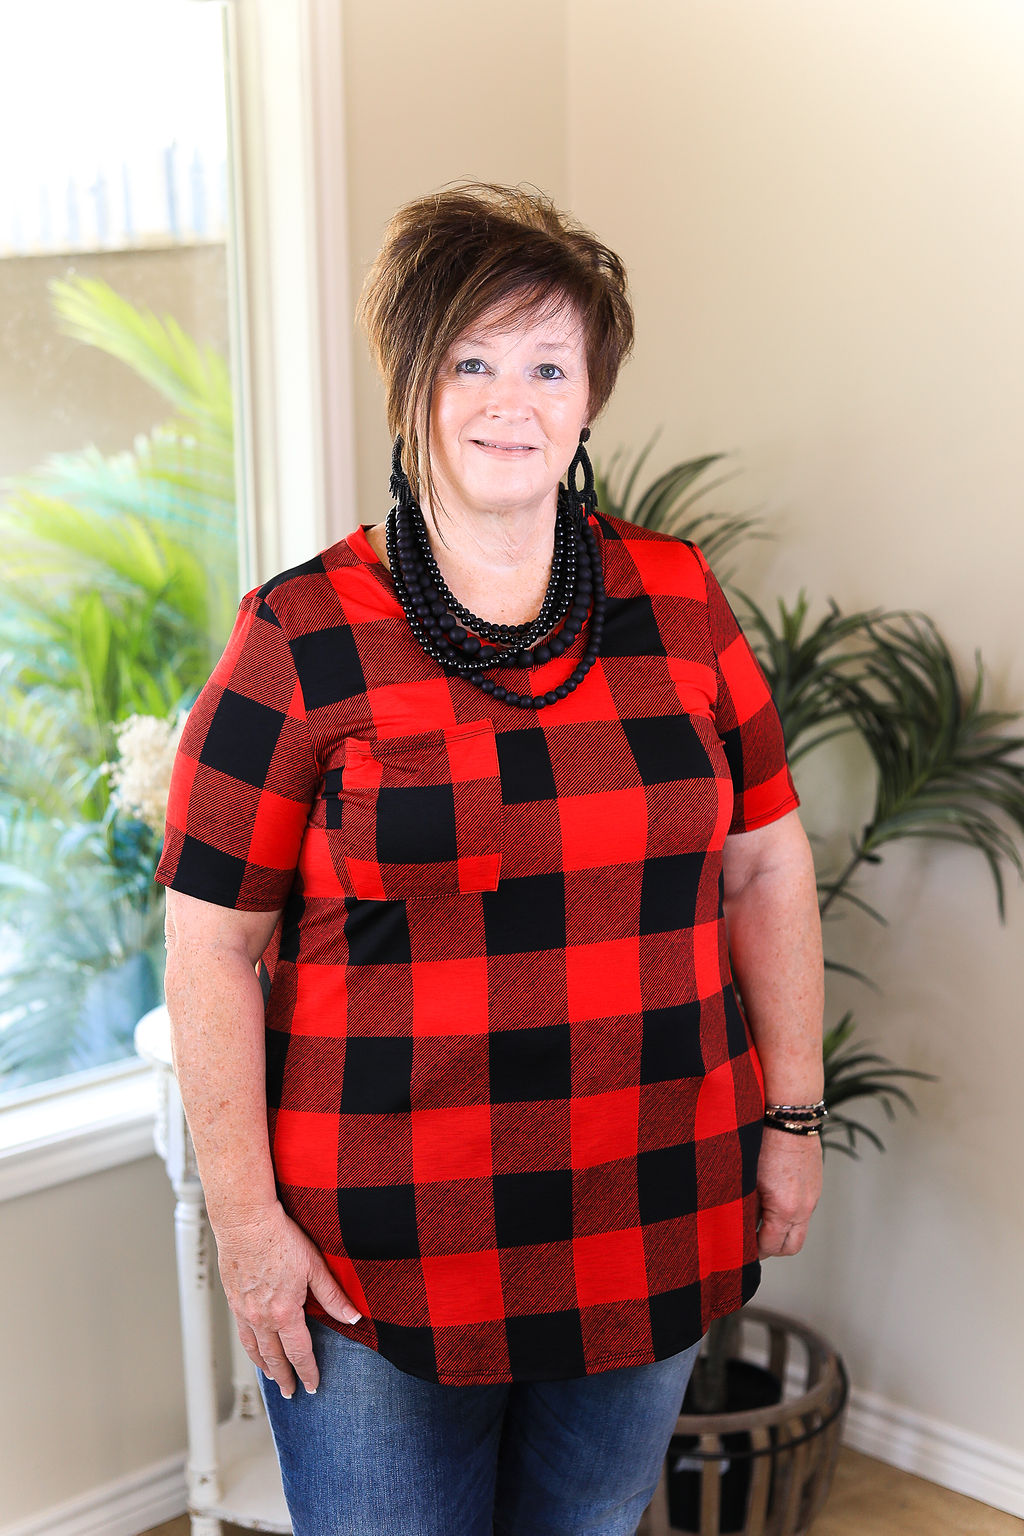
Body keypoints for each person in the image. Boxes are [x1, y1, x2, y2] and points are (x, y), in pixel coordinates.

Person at [158, 182, 824, 1536]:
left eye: (546, 364)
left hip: (648, 1210)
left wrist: (794, 1120)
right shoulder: (298, 638)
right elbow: (209, 945)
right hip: (376, 1257)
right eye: (470, 360)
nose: (508, 398)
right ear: (413, 383)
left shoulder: (680, 603)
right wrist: (246, 1225)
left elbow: (765, 870)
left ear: (589, 399)